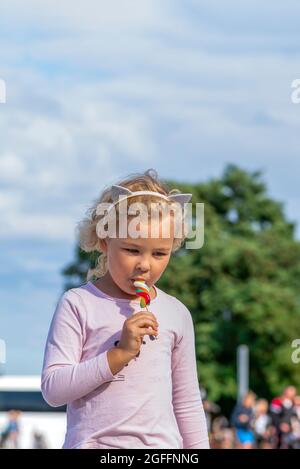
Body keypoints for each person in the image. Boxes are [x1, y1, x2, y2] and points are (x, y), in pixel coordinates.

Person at [41, 169, 209, 449]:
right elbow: (54, 389)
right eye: (132, 250)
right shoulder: (78, 303)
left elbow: (187, 401)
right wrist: (119, 354)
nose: (145, 264)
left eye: (159, 253)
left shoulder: (177, 313)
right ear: (105, 242)